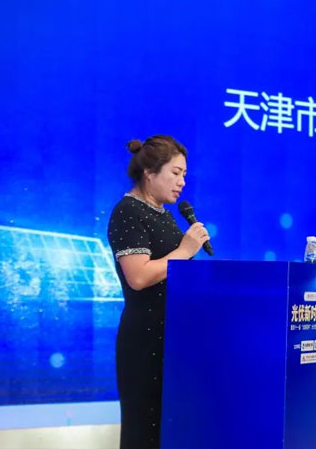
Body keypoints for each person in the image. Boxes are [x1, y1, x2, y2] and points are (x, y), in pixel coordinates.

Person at [107, 135, 209, 449]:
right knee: (145, 431)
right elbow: (138, 277)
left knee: (172, 432)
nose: (182, 182)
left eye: (185, 175)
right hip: (145, 341)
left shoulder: (163, 213)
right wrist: (185, 250)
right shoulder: (128, 212)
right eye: (176, 173)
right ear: (149, 172)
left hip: (173, 337)